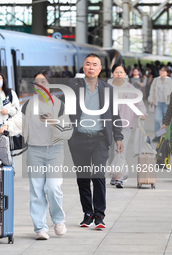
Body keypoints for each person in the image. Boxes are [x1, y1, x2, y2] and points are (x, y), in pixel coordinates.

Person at [0, 70, 73, 240]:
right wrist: (7, 127)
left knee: (53, 188)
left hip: (54, 151)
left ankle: (58, 220)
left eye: (44, 81)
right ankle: (40, 228)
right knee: (37, 191)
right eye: (37, 82)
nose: (40, 85)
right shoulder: (29, 105)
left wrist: (54, 121)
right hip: (34, 152)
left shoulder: (59, 104)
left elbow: (68, 130)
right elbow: (18, 121)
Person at [67, 54, 124, 229]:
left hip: (100, 139)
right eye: (88, 64)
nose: (91, 67)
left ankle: (99, 215)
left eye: (95, 65)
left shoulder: (107, 90)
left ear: (100, 69)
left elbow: (115, 115)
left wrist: (118, 136)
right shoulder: (73, 87)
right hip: (78, 139)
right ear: (83, 67)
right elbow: (62, 108)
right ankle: (88, 214)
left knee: (98, 175)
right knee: (83, 178)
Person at [107, 64, 147, 188]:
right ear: (112, 73)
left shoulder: (131, 89)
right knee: (111, 151)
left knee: (120, 149)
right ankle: (114, 175)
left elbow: (138, 103)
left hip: (124, 123)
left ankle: (119, 176)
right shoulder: (105, 87)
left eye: (122, 72)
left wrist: (142, 113)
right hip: (107, 123)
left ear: (125, 75)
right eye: (116, 72)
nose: (119, 74)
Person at [148, 66, 172, 142]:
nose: (161, 72)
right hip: (158, 103)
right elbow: (152, 90)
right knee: (157, 120)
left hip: (167, 103)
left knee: (166, 121)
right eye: (160, 70)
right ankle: (158, 136)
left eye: (163, 71)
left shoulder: (170, 81)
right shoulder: (156, 80)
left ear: (167, 73)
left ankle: (165, 136)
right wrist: (151, 99)